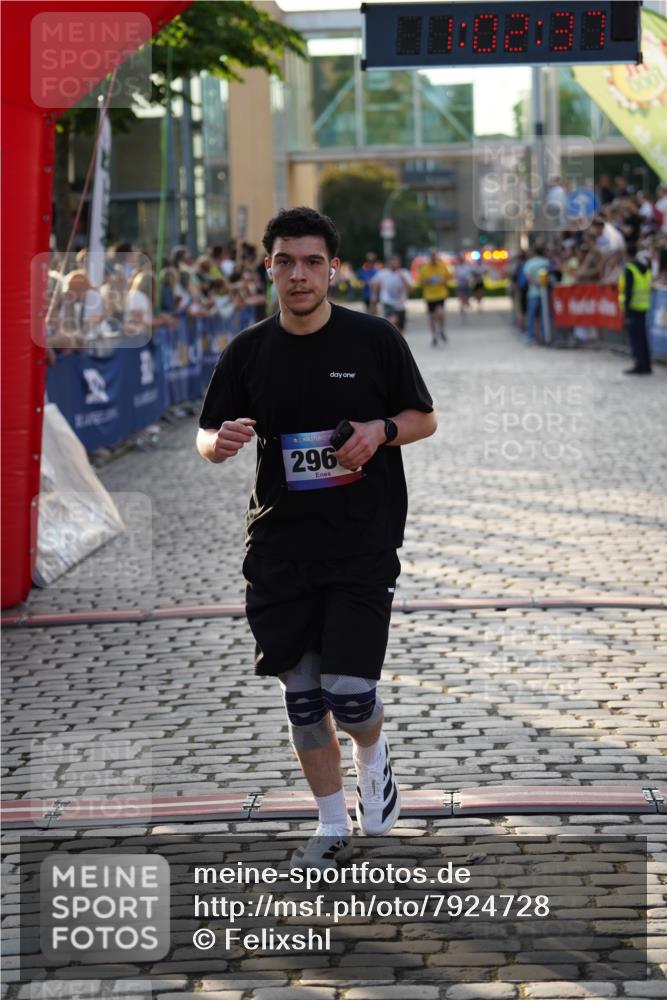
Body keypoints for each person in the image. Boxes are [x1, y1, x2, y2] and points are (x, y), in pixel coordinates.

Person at [196, 207, 436, 870]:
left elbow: (423, 417)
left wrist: (380, 432)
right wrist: (217, 444)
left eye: (310, 261)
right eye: (284, 261)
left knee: (350, 693)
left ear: (331, 268)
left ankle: (372, 751)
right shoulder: (247, 351)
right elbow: (206, 434)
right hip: (278, 546)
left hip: (361, 539)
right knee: (303, 699)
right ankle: (331, 825)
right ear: (267, 268)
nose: (297, 274)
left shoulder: (374, 340)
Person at [618, 243, 653, 375]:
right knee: (642, 338)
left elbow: (628, 291)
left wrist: (625, 310)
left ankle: (639, 365)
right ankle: (646, 365)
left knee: (635, 339)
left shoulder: (630, 269)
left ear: (627, 254)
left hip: (632, 308)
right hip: (643, 307)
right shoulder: (645, 268)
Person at [370, 254, 413, 333]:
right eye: (392, 261)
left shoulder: (404, 273)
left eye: (396, 261)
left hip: (400, 305)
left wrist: (403, 279)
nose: (393, 263)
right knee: (391, 322)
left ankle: (396, 344)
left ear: (400, 263)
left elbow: (411, 290)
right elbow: (374, 285)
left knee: (401, 331)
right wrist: (373, 299)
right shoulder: (383, 273)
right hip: (388, 303)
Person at [417, 248, 452, 346]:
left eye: (435, 256)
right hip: (429, 296)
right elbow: (421, 282)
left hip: (441, 294)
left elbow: (449, 278)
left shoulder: (442, 266)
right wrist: (427, 282)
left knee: (440, 313)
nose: (433, 258)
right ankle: (434, 336)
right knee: (431, 317)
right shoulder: (424, 268)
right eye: (431, 256)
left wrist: (443, 280)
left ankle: (441, 329)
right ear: (429, 257)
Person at [522, 243, 550, 344]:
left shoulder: (529, 263)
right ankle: (544, 336)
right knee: (544, 316)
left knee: (531, 317)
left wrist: (536, 283)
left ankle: (531, 337)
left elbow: (528, 278)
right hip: (545, 294)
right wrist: (541, 284)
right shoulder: (546, 262)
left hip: (533, 293)